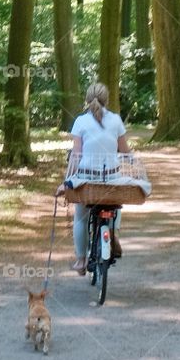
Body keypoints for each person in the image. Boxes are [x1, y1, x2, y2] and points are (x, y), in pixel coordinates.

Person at [57, 82, 130, 275]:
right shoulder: (116, 120)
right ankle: (113, 231)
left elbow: (77, 155)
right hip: (111, 177)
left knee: (80, 217)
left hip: (87, 179)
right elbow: (125, 152)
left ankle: (81, 261)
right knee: (116, 202)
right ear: (107, 100)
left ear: (87, 100)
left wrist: (67, 181)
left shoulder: (81, 121)